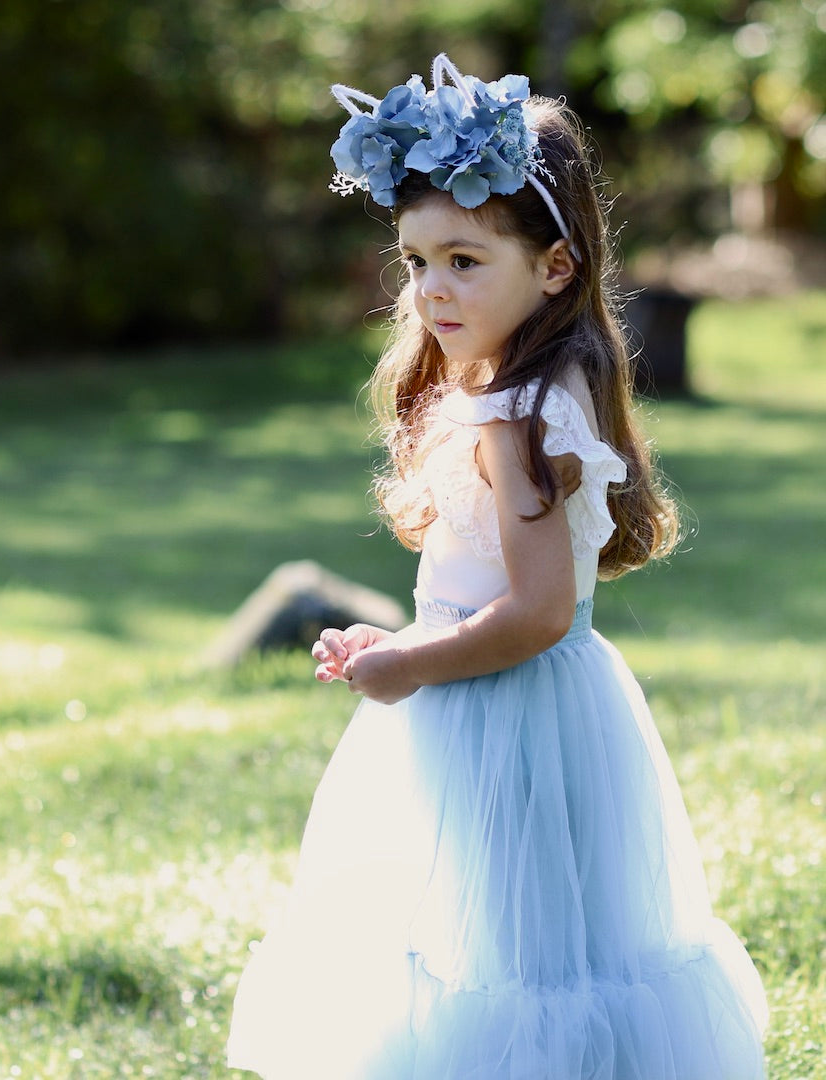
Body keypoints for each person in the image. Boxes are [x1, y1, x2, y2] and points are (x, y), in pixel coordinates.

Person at [227, 56, 768, 1079]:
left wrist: (413, 667)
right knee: (482, 938)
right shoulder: (518, 391)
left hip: (506, 712)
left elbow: (537, 614)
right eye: (417, 260)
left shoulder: (523, 417)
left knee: (516, 959)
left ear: (555, 266)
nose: (432, 288)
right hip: (488, 702)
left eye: (465, 260)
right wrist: (399, 643)